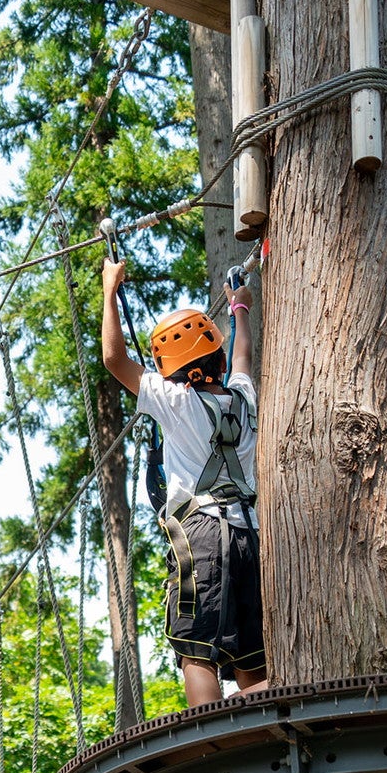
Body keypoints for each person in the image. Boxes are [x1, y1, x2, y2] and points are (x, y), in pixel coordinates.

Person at [101, 260, 268, 708]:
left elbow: (114, 360)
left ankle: (212, 741)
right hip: (252, 533)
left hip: (202, 536)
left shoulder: (172, 399)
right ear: (215, 354)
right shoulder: (244, 399)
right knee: (253, 653)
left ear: (168, 367)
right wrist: (239, 308)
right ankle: (267, 716)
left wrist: (109, 292)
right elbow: (245, 356)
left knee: (196, 651)